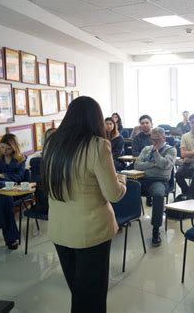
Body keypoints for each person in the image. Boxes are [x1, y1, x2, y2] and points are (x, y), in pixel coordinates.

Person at [42, 96, 126, 313]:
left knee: (78, 290)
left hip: (60, 230)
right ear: (96, 119)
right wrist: (122, 181)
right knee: (92, 295)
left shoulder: (51, 140)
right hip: (91, 232)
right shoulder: (98, 146)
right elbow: (113, 194)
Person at [134, 127, 176, 247]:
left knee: (158, 195)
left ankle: (156, 229)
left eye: (157, 140)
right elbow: (137, 165)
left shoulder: (171, 150)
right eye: (152, 139)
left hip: (159, 181)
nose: (154, 142)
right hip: (142, 179)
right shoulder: (147, 149)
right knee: (125, 187)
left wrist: (156, 153)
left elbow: (164, 165)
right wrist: (153, 164)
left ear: (164, 138)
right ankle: (123, 220)